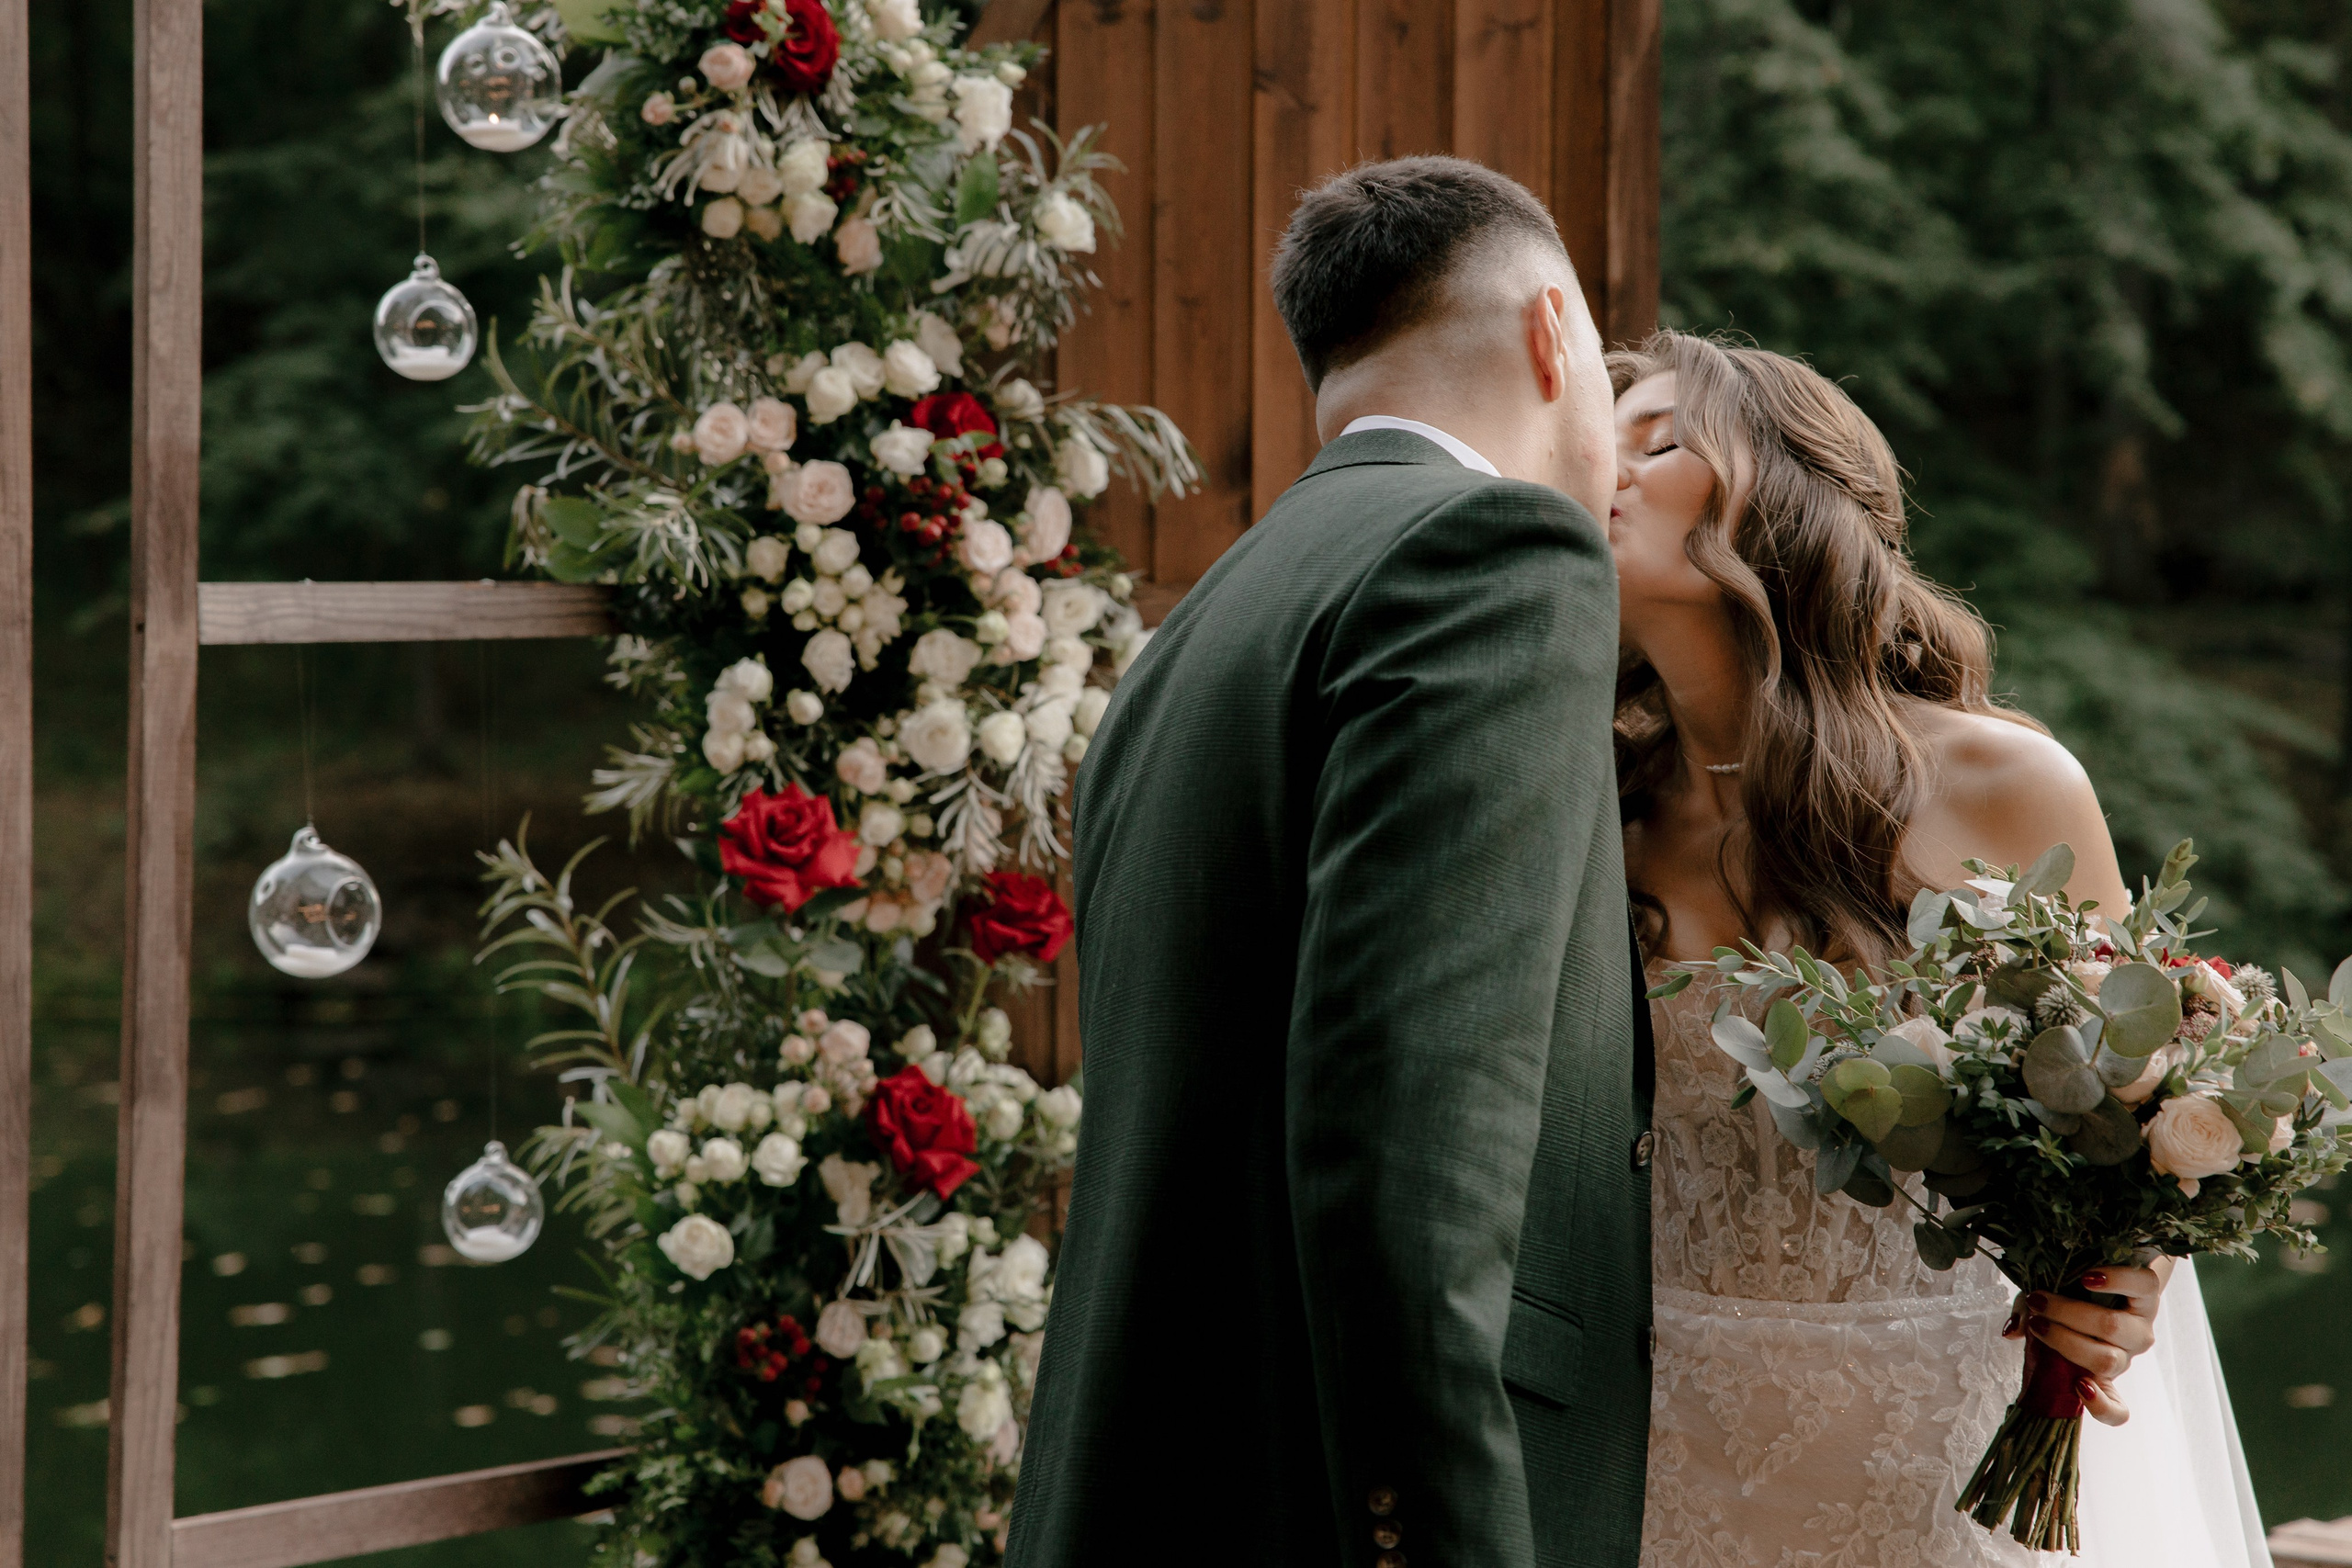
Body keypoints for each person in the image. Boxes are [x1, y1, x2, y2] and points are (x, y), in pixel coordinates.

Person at [1007, 157, 1652, 1568]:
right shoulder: (1498, 559)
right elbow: (1413, 1150)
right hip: (1329, 1514)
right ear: (1554, 333)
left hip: (1149, 1485)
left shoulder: (1195, 631)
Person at [1610, 329, 2272, 1566]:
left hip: (1942, 1445)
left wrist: (2124, 1287)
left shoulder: (1998, 783)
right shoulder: (1593, 803)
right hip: (1660, 1448)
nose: (1610, 471)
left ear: (1779, 496)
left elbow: (2141, 1120)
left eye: (1656, 441)